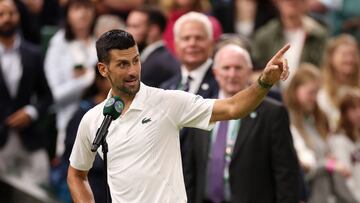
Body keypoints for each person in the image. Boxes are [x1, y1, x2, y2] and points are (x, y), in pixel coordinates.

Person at [67, 29, 290, 203]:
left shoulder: (168, 102)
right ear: (103, 69)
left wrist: (264, 81)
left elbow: (233, 108)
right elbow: (76, 174)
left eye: (136, 60)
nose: (133, 71)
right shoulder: (93, 119)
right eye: (123, 64)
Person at [182, 44, 300, 203]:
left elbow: (286, 173)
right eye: (226, 68)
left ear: (249, 71)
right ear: (215, 73)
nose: (232, 74)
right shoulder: (201, 108)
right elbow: (190, 169)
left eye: (238, 68)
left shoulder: (272, 113)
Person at [283, 64, 357, 203]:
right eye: (310, 92)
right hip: (305, 188)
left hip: (326, 189)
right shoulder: (286, 120)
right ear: (295, 90)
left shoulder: (317, 118)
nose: (314, 98)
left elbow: (328, 153)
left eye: (317, 93)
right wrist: (329, 165)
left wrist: (331, 162)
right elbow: (303, 163)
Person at [0, 0, 53, 186]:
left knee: (41, 184)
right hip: (2, 137)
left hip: (29, 134)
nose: (7, 18)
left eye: (11, 13)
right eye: (1, 14)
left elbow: (47, 96)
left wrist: (31, 112)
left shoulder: (32, 53)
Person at [44, 0, 97, 158]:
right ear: (67, 14)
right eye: (77, 8)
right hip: (69, 122)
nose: (83, 13)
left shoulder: (99, 42)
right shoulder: (59, 43)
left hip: (99, 122)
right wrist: (88, 78)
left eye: (87, 7)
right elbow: (55, 94)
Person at [126, 6, 180, 88]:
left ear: (153, 30)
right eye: (128, 26)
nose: (128, 32)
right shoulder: (163, 58)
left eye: (135, 26)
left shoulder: (155, 65)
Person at [317, 34, 360, 132]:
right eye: (344, 55)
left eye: (353, 55)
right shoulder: (322, 91)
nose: (349, 59)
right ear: (331, 58)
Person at [329, 89, 360, 202]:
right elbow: (346, 179)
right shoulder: (339, 140)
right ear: (344, 112)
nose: (358, 113)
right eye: (353, 109)